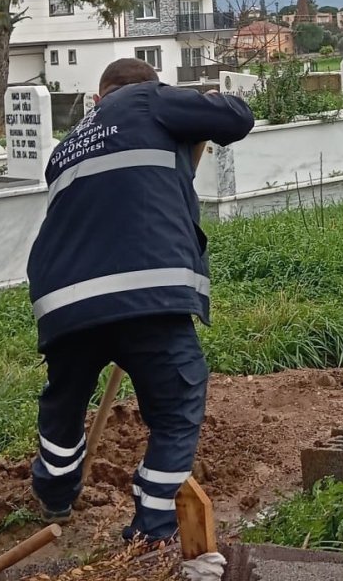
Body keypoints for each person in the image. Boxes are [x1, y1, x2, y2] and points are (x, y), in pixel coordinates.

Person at [26, 58, 256, 542]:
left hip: (64, 298)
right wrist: (197, 103)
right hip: (147, 289)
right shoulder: (151, 99)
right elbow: (237, 116)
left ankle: (53, 494)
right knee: (176, 405)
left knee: (64, 402)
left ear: (96, 99)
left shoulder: (66, 147)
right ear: (157, 88)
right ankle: (153, 528)